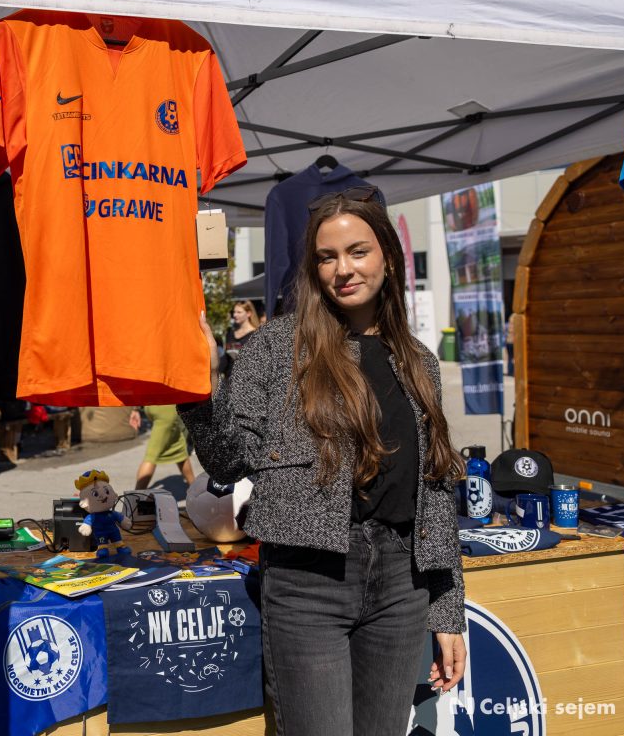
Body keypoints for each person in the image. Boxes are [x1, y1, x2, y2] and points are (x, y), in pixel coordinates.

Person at [181, 187, 466, 736]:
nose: (343, 269)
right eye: (327, 257)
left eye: (358, 251)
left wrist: (447, 609)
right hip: (307, 583)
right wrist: (201, 389)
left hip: (401, 584)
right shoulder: (276, 348)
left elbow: (434, 494)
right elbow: (228, 463)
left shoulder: (419, 361)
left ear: (388, 255)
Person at [129, 405, 196, 490]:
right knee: (151, 456)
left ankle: (195, 488)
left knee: (179, 449)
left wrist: (136, 408)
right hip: (166, 408)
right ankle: (136, 495)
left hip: (152, 405)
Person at [224, 299, 260, 368]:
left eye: (239, 312)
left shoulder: (256, 334)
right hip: (230, 373)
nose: (234, 315)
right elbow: (226, 359)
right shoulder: (230, 333)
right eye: (234, 312)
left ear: (248, 313)